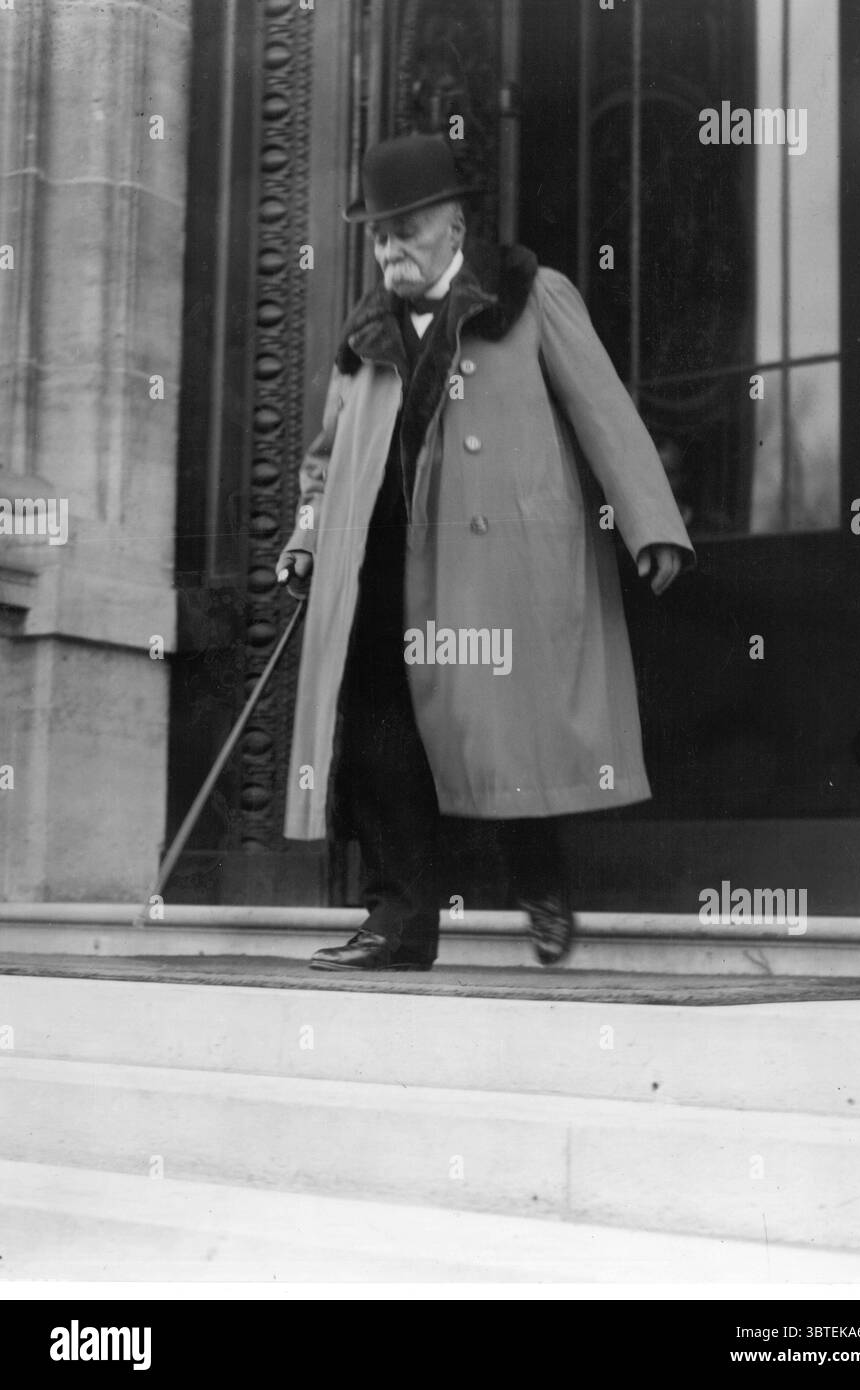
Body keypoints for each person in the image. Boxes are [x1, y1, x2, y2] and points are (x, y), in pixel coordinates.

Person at [277, 133, 694, 972]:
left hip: (495, 563)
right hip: (381, 567)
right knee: (382, 741)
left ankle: (539, 884)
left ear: (455, 224)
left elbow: (602, 411)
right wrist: (305, 536)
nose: (389, 245)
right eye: (377, 231)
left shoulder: (529, 295)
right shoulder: (363, 338)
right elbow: (323, 460)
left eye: (406, 226)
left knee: (509, 732)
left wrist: (649, 519)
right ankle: (398, 924)